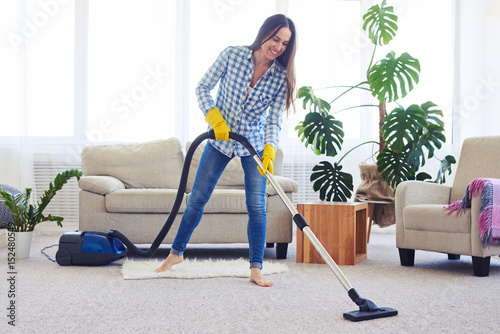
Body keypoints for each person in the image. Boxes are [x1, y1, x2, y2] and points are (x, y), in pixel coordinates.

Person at [155, 14, 297, 287]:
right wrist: (214, 118)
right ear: (264, 33)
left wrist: (268, 151)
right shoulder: (232, 55)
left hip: (253, 145)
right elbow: (203, 87)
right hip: (220, 140)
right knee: (197, 199)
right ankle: (176, 253)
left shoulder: (280, 77)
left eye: (285, 43)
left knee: (257, 207)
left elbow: (274, 119)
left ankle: (256, 269)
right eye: (275, 38)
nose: (278, 46)